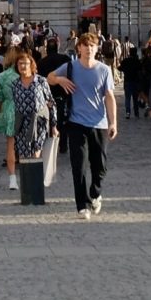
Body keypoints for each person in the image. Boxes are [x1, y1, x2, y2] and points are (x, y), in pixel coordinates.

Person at [47, 32, 117, 219]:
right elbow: (49, 77)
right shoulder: (70, 66)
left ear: (97, 48)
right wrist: (60, 80)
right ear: (79, 48)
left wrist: (113, 122)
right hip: (76, 123)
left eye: (92, 45)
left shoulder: (104, 70)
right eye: (85, 45)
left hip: (99, 123)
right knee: (79, 165)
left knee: (100, 166)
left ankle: (95, 193)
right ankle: (82, 205)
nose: (89, 49)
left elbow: (109, 97)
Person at [11, 52, 58, 167]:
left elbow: (51, 103)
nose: (22, 66)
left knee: (36, 155)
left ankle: (36, 182)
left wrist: (54, 126)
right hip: (22, 125)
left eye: (25, 63)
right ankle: (26, 183)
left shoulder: (41, 81)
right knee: (23, 157)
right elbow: (13, 105)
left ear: (31, 65)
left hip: (39, 123)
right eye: (20, 64)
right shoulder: (15, 84)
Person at [0, 46, 21, 191]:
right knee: (28, 145)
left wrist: (0, 114)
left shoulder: (3, 76)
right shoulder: (25, 73)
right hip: (24, 109)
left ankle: (12, 179)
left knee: (10, 146)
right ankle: (31, 174)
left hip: (9, 109)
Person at [39, 38, 70, 152]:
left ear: (47, 49)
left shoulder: (41, 62)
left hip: (47, 97)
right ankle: (63, 145)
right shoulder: (65, 59)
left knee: (49, 121)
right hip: (63, 94)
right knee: (63, 121)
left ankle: (50, 144)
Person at [119, 43, 142, 120]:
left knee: (127, 98)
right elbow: (140, 71)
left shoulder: (126, 61)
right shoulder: (137, 61)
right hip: (135, 81)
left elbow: (120, 68)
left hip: (127, 81)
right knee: (135, 98)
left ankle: (128, 113)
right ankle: (136, 113)